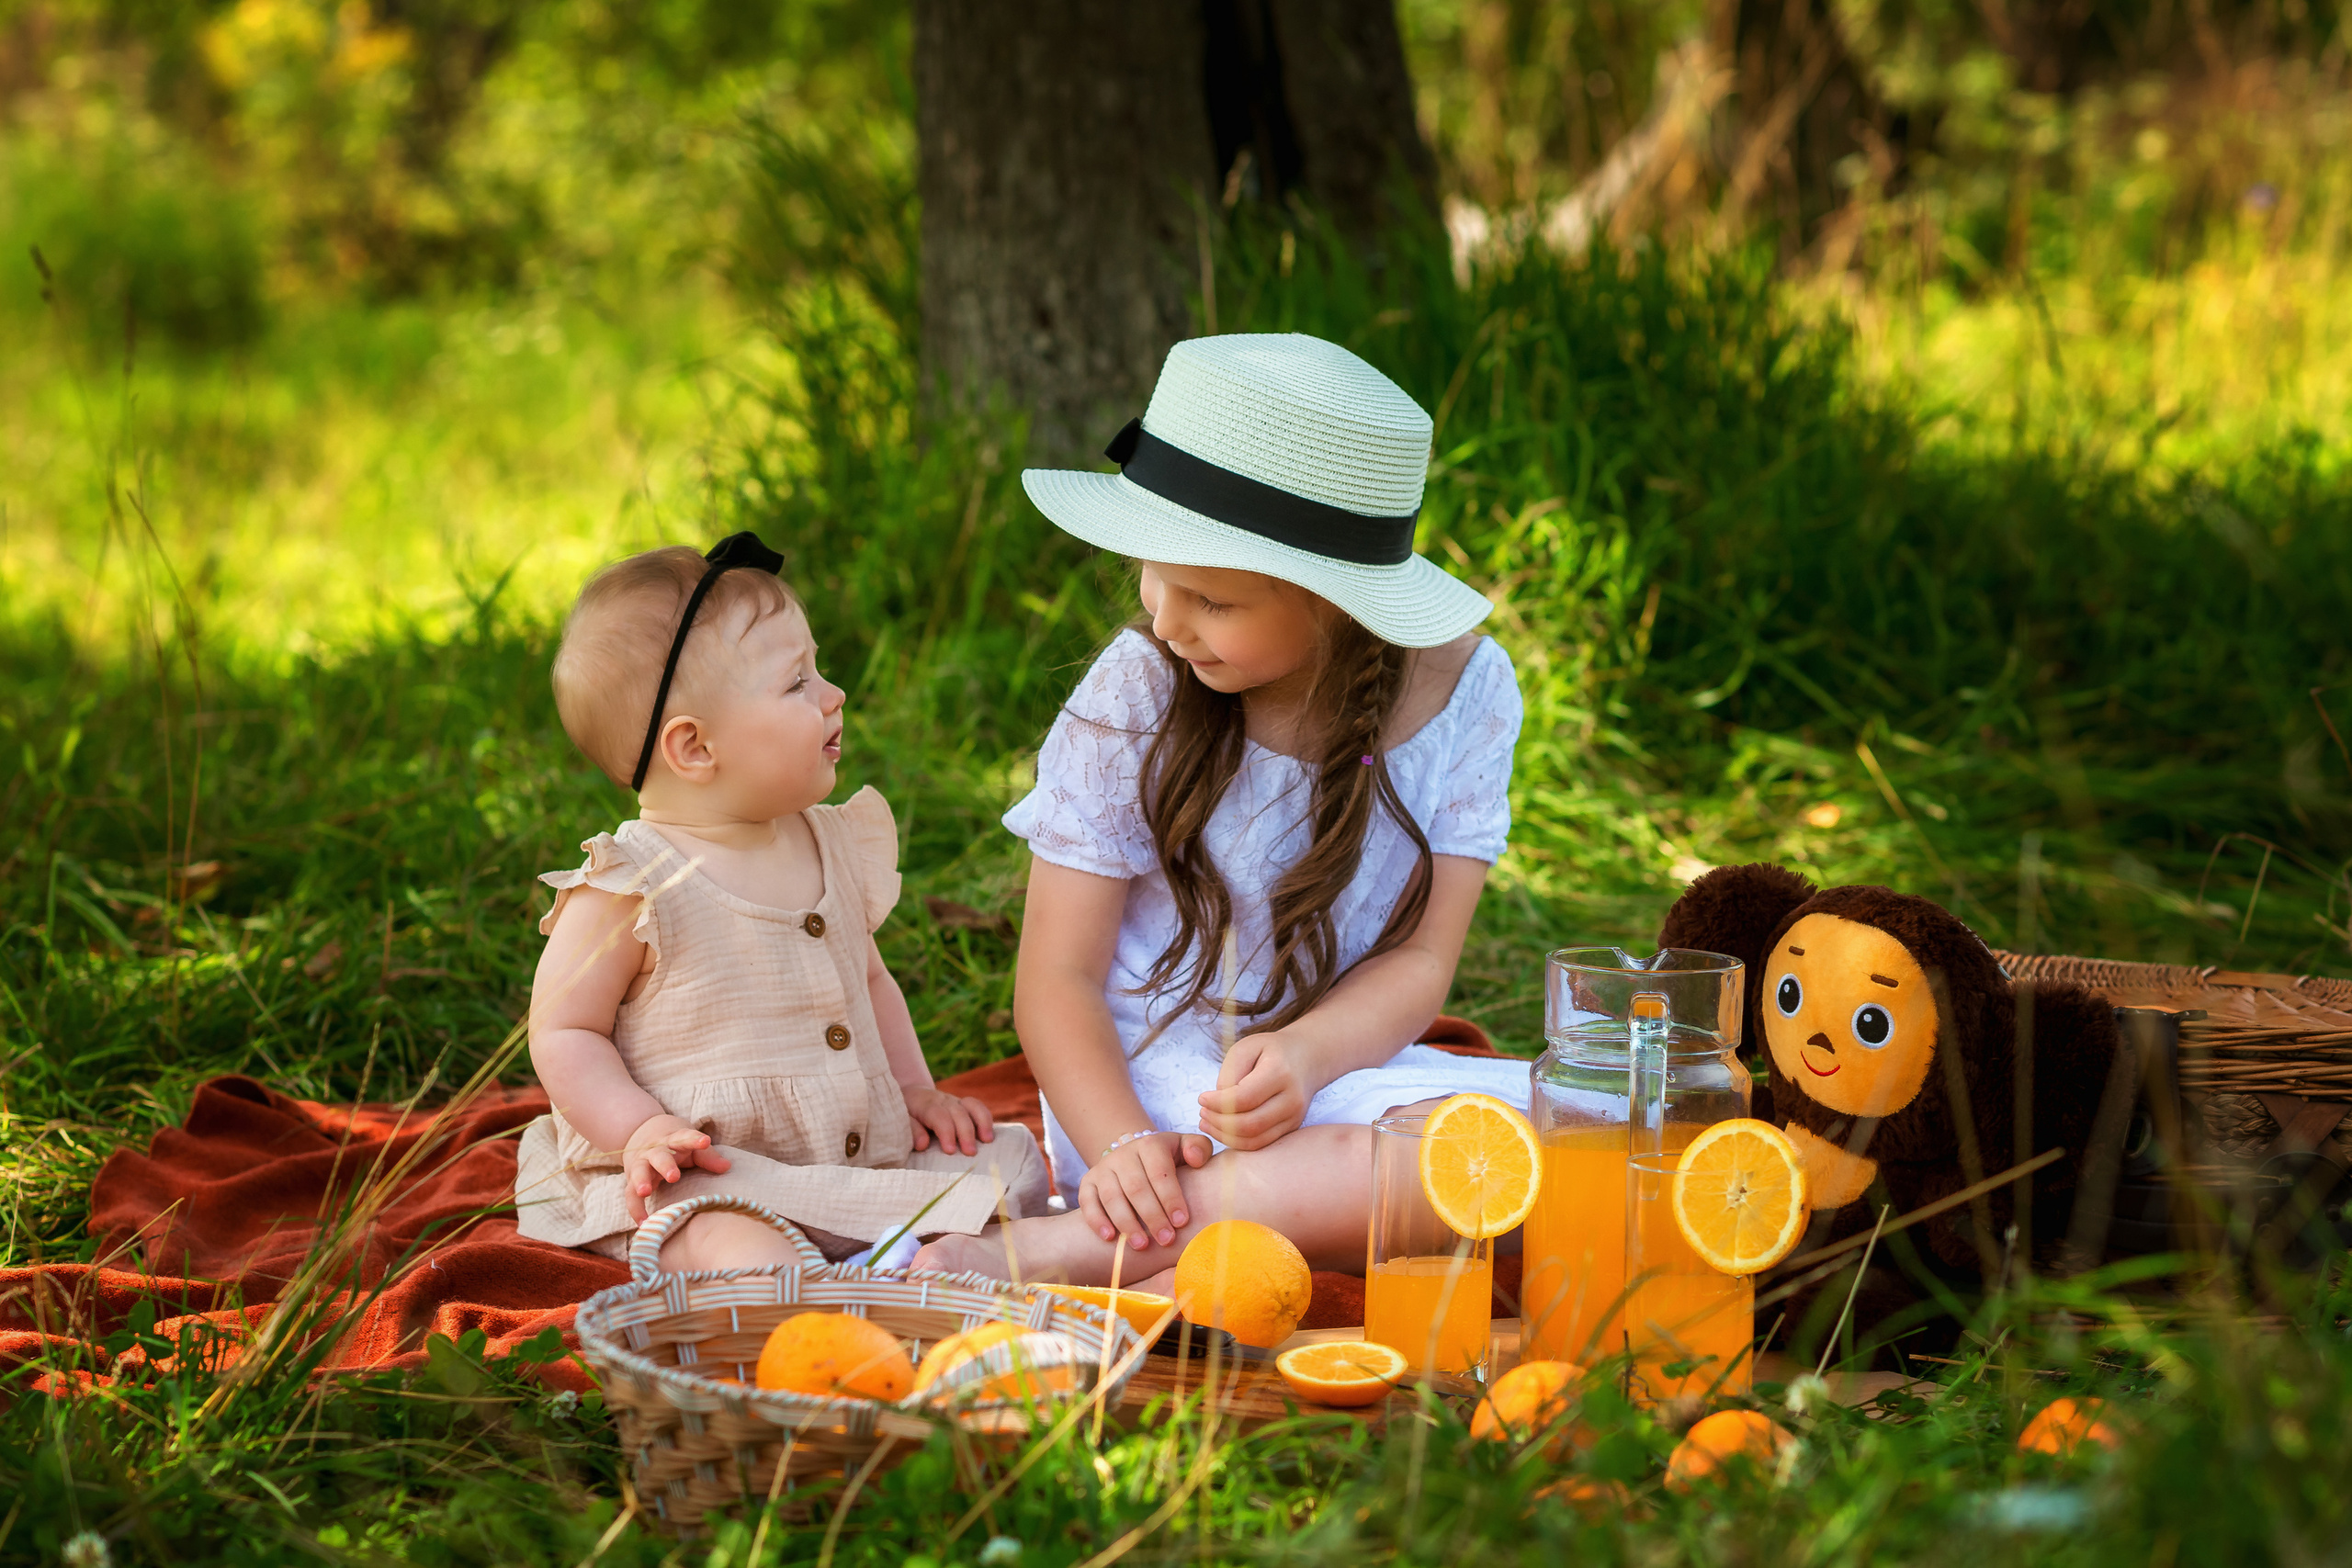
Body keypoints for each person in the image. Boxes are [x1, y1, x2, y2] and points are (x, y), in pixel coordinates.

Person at [913, 333, 1528, 1289]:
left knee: (1569, 1151)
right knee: (1402, 1181)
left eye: (1209, 595)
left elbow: (1420, 959)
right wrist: (1120, 1148)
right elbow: (1057, 978)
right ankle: (1058, 1249)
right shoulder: (1138, 693)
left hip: (1334, 1068)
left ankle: (1178, 1264)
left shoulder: (1470, 692)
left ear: (1338, 600)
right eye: (1150, 571)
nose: (1162, 616)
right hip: (1147, 1106)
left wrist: (1310, 1053)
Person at [514, 536, 1048, 1273]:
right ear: (695, 748)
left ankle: (883, 1261)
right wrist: (640, 1130)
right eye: (798, 682)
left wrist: (916, 1091)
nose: (835, 694)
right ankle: (829, 1283)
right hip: (712, 1173)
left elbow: (869, 983)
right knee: (731, 1243)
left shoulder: (828, 843)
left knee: (1015, 1167)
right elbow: (565, 1029)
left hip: (851, 1164)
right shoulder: (631, 882)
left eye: (818, 667)